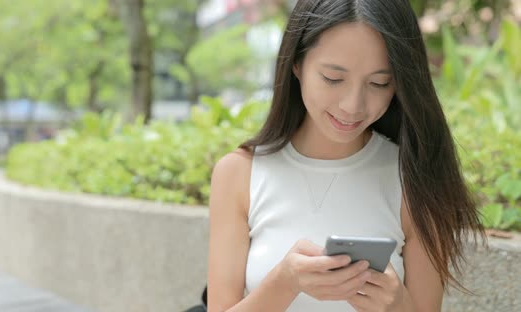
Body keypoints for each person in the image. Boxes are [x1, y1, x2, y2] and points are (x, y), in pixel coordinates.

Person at [206, 0, 486, 311]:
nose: (353, 105)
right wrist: (286, 282)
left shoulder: (413, 177)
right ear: (296, 64)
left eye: (379, 83)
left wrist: (396, 305)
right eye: (333, 78)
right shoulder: (239, 174)